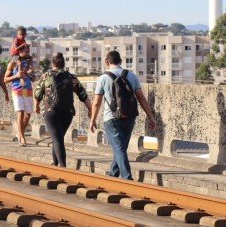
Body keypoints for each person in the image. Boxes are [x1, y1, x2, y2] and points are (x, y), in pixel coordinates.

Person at [89, 50, 156, 180]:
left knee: (119, 148)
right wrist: (151, 117)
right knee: (120, 148)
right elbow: (141, 98)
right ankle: (113, 175)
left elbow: (96, 102)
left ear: (107, 62)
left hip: (111, 118)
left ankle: (127, 178)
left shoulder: (103, 78)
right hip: (129, 117)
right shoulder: (131, 76)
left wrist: (93, 120)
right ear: (121, 61)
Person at [34, 53, 93, 167]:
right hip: (67, 113)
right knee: (58, 138)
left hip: (51, 112)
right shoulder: (71, 77)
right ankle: (55, 164)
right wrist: (90, 109)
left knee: (57, 139)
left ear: (53, 63)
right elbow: (83, 94)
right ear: (64, 64)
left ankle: (63, 168)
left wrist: (36, 106)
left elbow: (37, 94)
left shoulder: (46, 76)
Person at [5, 44, 35, 146]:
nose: (28, 54)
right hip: (17, 90)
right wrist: (16, 76)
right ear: (20, 52)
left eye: (28, 52)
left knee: (27, 115)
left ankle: (19, 133)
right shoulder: (12, 63)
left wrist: (32, 74)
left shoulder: (28, 63)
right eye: (26, 52)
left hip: (28, 90)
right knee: (20, 113)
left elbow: (34, 78)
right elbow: (5, 79)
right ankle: (22, 137)